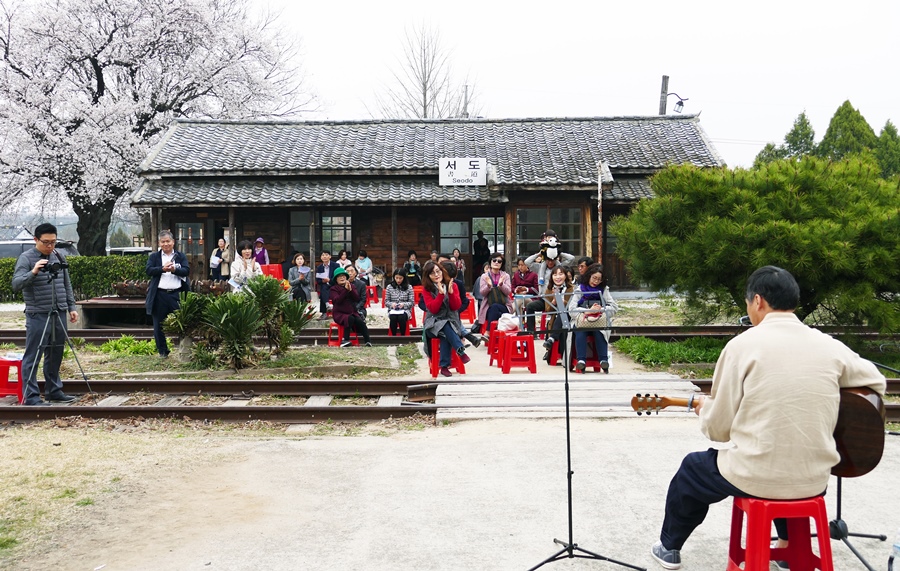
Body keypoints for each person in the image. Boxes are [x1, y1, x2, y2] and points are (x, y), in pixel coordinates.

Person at [649, 266, 886, 570]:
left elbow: (718, 430)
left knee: (692, 470)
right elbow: (876, 382)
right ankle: (789, 547)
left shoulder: (742, 347)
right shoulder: (830, 346)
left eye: (748, 303)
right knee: (786, 454)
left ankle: (669, 547)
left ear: (758, 301)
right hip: (814, 478)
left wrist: (707, 410)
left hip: (757, 476)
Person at [11, 223, 79, 405]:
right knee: (33, 355)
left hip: (59, 311)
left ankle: (53, 391)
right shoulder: (26, 258)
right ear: (36, 240)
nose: (50, 246)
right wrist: (33, 271)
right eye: (46, 242)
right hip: (38, 313)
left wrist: (71, 307)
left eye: (53, 242)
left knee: (56, 353)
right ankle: (31, 396)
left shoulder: (58, 255)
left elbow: (66, 284)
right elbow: (16, 284)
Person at [145, 230, 190, 358]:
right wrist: (162, 269)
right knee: (158, 325)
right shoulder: (154, 257)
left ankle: (184, 349)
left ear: (173, 242)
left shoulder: (180, 256)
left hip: (177, 294)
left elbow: (186, 270)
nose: (166, 244)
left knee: (183, 322)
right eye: (163, 242)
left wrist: (175, 270)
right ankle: (163, 351)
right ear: (159, 243)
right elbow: (149, 270)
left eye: (168, 241)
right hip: (160, 294)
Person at [421, 260, 470, 377]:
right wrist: (441, 294)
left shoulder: (453, 285)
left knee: (445, 331)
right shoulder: (427, 289)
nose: (436, 275)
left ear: (442, 271)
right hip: (432, 324)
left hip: (451, 323)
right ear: (428, 276)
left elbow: (455, 307)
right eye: (432, 273)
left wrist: (451, 293)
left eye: (438, 271)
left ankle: (444, 367)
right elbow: (433, 309)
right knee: (445, 325)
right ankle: (460, 351)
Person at [568, 263, 617, 373]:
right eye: (594, 278)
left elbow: (614, 307)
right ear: (589, 276)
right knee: (580, 330)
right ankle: (581, 360)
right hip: (582, 320)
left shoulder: (604, 290)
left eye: (599, 279)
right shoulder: (580, 289)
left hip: (598, 320)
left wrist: (600, 309)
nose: (596, 281)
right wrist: (587, 311)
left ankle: (603, 360)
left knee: (600, 331)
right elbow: (571, 309)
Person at [538, 266, 575, 364]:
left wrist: (563, 302)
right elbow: (547, 310)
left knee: (564, 314)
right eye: (555, 275)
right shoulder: (549, 290)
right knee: (561, 320)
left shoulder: (572, 289)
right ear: (552, 277)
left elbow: (573, 307)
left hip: (570, 317)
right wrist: (553, 302)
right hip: (555, 319)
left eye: (560, 274)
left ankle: (552, 339)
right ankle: (562, 355)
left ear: (565, 276)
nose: (558, 277)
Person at [329, 267, 371, 347]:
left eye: (343, 276)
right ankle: (345, 340)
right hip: (339, 313)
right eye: (339, 276)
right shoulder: (333, 289)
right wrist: (345, 290)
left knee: (360, 321)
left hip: (351, 311)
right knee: (349, 318)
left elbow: (356, 298)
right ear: (336, 279)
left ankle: (368, 341)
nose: (342, 278)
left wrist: (351, 290)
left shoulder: (351, 286)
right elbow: (337, 301)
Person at [476, 254, 514, 337]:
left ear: (502, 264)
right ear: (490, 262)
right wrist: (488, 286)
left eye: (499, 261)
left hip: (504, 306)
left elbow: (508, 292)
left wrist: (501, 284)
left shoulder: (505, 276)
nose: (496, 262)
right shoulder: (484, 276)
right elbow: (482, 293)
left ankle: (488, 332)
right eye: (494, 260)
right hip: (488, 307)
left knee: (495, 307)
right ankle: (496, 336)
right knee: (494, 310)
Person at [384, 268, 414, 336]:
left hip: (405, 310)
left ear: (404, 278)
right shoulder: (389, 287)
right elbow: (386, 301)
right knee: (393, 317)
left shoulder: (409, 287)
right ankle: (393, 336)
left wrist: (403, 305)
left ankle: (403, 336)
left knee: (401, 317)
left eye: (400, 278)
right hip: (393, 310)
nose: (398, 280)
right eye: (396, 278)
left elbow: (412, 302)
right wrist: (392, 304)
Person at [511, 256, 539, 324]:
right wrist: (516, 290)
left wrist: (527, 290)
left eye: (522, 265)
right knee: (520, 303)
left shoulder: (534, 275)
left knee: (521, 300)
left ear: (527, 265)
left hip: (531, 298)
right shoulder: (516, 274)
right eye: (519, 265)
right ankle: (519, 324)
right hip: (518, 297)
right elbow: (512, 287)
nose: (520, 267)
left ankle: (509, 311)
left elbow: (537, 290)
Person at [315, 250, 340, 319]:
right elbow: (318, 280)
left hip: (334, 285)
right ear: (321, 257)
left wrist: (329, 280)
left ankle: (325, 311)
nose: (324, 256)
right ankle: (327, 306)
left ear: (330, 256)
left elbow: (338, 277)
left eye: (326, 255)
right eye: (323, 255)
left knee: (323, 290)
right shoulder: (319, 267)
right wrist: (323, 281)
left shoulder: (336, 265)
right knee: (323, 287)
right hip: (325, 285)